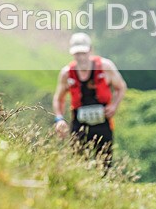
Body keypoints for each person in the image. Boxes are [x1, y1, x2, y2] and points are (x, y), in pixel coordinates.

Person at [52, 32, 127, 167]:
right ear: (72, 54)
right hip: (79, 122)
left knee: (105, 162)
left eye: (83, 53)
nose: (81, 57)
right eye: (77, 54)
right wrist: (59, 119)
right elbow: (58, 98)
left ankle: (106, 185)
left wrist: (114, 105)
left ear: (90, 50)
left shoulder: (105, 67)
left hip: (103, 121)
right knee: (78, 162)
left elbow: (121, 87)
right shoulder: (66, 73)